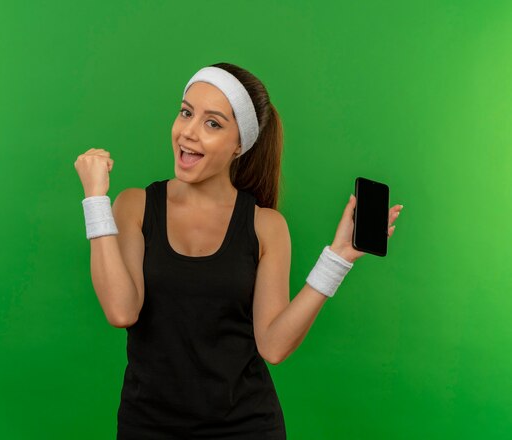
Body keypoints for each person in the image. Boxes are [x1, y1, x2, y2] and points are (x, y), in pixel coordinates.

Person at [74, 62, 403, 439]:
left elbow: (274, 346)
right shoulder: (135, 205)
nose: (188, 133)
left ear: (239, 145)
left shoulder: (266, 226)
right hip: (148, 425)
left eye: (213, 123)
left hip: (246, 427)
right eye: (186, 113)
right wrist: (96, 200)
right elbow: (121, 310)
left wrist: (337, 259)